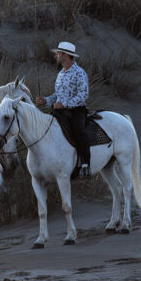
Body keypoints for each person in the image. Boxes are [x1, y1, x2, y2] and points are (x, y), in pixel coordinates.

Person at [35, 41, 91, 178]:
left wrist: (65, 104)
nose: (56, 56)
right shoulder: (61, 74)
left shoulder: (79, 73)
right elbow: (57, 95)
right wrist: (46, 101)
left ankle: (85, 164)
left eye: (58, 54)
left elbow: (83, 95)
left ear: (65, 55)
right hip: (59, 111)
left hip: (76, 110)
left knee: (79, 131)